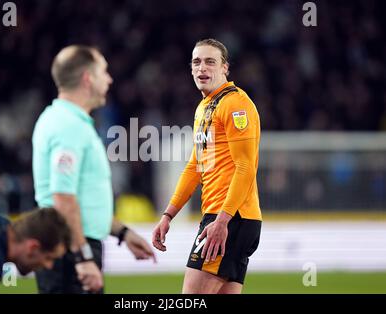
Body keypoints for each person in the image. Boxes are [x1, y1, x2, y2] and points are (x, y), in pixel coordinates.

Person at [32, 45, 155, 294]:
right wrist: (83, 258)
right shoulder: (69, 126)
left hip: (68, 248)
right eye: (104, 72)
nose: (109, 79)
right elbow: (63, 199)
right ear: (88, 78)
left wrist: (123, 233)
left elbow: (80, 202)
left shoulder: (64, 120)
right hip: (68, 254)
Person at [152, 38, 262, 294]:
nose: (203, 68)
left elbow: (245, 167)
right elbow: (195, 167)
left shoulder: (235, 104)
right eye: (196, 62)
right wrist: (168, 215)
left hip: (229, 217)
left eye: (210, 62)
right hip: (229, 218)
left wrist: (223, 221)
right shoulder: (205, 107)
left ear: (225, 68)